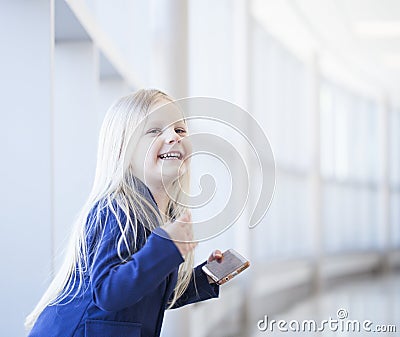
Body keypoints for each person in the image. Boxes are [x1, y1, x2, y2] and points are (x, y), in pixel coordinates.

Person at [25, 89, 223, 337]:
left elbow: (146, 287)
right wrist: (166, 248)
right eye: (154, 131)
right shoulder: (118, 209)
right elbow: (109, 293)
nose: (173, 136)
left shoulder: (161, 214)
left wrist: (206, 277)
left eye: (180, 130)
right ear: (124, 150)